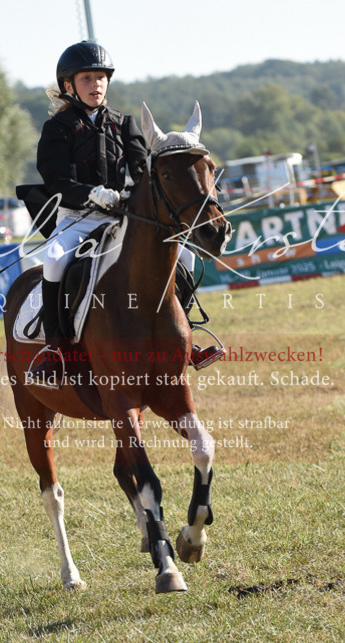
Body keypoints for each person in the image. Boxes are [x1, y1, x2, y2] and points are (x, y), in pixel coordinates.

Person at [29, 40, 224, 388]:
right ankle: (55, 350)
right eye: (87, 78)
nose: (96, 85)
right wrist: (92, 193)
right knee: (55, 260)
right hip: (78, 218)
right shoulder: (57, 129)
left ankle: (186, 336)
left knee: (187, 257)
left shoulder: (124, 123)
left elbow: (142, 170)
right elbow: (56, 180)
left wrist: (133, 196)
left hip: (123, 219)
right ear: (69, 85)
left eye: (101, 77)